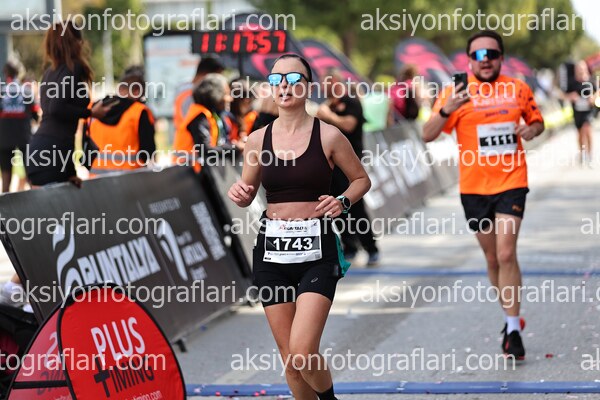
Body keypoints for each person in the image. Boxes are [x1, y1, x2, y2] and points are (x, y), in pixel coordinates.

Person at [228, 54, 370, 400]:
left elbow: (360, 180)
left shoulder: (329, 135)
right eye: (276, 80)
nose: (284, 87)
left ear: (308, 87)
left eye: (293, 79)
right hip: (272, 253)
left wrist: (343, 201)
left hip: (317, 251)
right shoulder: (257, 140)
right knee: (291, 362)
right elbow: (247, 193)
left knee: (303, 351)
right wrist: (240, 194)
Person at [423, 30, 544, 360]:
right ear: (469, 61)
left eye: (491, 53)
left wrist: (530, 130)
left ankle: (513, 331)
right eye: (478, 55)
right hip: (474, 189)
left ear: (501, 57)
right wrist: (446, 109)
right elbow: (427, 134)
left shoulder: (517, 88)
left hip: (511, 181)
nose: (485, 60)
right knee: (492, 259)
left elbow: (537, 122)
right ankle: (510, 317)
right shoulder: (456, 93)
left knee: (505, 253)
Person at [25, 21, 113, 187]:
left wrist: (70, 171)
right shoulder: (73, 68)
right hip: (54, 151)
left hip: (38, 149)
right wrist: (91, 113)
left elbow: (61, 121)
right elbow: (56, 108)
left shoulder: (48, 73)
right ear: (77, 42)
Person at [316, 68, 379, 266]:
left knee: (356, 206)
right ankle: (349, 246)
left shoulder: (351, 101)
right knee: (334, 206)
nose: (322, 87)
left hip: (350, 164)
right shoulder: (327, 105)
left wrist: (328, 115)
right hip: (329, 165)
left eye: (325, 82)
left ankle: (371, 248)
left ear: (335, 82)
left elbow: (349, 125)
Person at [88, 68, 156, 176]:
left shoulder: (94, 109)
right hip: (130, 179)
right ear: (137, 92)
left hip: (96, 178)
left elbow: (85, 146)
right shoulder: (139, 111)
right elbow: (148, 151)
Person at [173, 73, 238, 171]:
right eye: (226, 94)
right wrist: (235, 149)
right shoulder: (199, 117)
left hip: (194, 171)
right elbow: (206, 150)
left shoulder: (211, 115)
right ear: (216, 95)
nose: (230, 98)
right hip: (185, 173)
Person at [0, 62, 39, 192]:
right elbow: (35, 115)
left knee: (6, 180)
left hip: (4, 138)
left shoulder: (1, 91)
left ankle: (5, 204)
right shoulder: (27, 92)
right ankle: (34, 201)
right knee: (30, 175)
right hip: (24, 137)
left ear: (6, 73)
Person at [173, 56, 225, 133]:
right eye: (216, 80)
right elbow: (196, 125)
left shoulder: (183, 87)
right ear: (207, 75)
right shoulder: (191, 95)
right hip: (190, 139)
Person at [566, 61, 595, 167]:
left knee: (587, 129)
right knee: (580, 134)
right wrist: (571, 96)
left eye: (582, 67)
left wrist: (593, 98)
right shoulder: (572, 82)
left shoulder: (591, 80)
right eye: (579, 68)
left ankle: (590, 154)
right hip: (577, 111)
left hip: (588, 111)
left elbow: (597, 93)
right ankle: (582, 154)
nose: (581, 70)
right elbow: (564, 95)